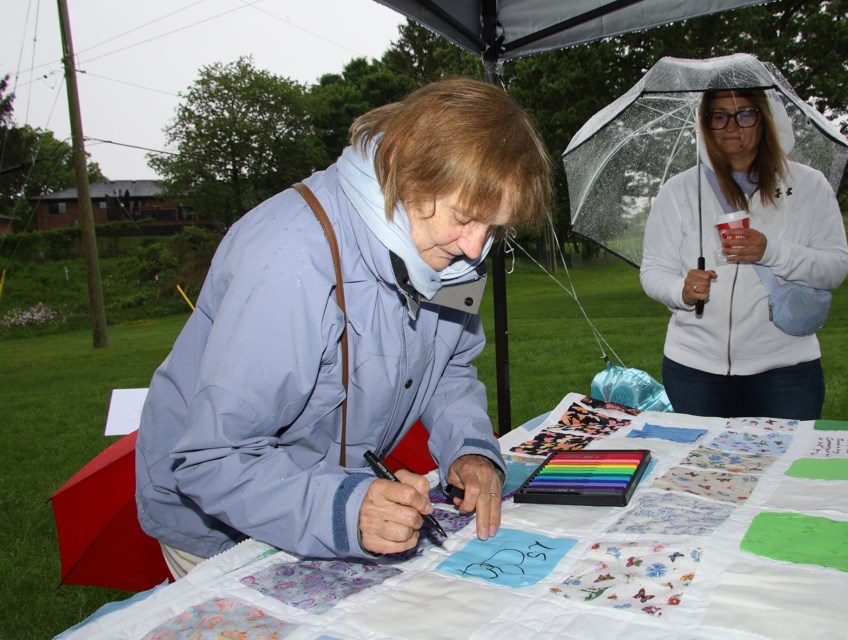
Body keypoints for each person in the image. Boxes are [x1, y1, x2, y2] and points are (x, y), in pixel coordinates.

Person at [135, 78, 553, 578]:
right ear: (409, 170)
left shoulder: (446, 251)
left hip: (327, 493)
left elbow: (450, 369)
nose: (474, 247)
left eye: (494, 228)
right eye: (466, 218)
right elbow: (213, 457)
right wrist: (347, 509)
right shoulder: (290, 255)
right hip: (222, 528)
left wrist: (469, 449)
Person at [640, 87, 848, 420]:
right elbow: (653, 269)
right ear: (705, 125)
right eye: (719, 116)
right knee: (702, 470)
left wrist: (771, 250)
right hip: (693, 368)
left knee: (782, 469)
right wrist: (679, 289)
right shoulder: (679, 190)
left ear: (764, 119)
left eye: (745, 114)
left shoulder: (809, 185)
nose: (732, 126)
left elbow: (836, 267)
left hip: (786, 369)